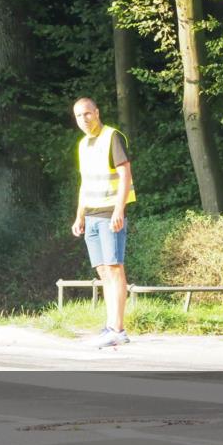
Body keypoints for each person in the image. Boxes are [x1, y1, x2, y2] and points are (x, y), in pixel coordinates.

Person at [70, 98, 135, 349]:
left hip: (110, 212)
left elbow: (125, 174)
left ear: (97, 113)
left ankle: (118, 328)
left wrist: (120, 209)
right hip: (92, 214)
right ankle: (110, 326)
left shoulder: (112, 137)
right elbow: (84, 183)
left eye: (87, 114)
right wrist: (79, 216)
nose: (84, 119)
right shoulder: (83, 144)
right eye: (78, 116)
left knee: (115, 267)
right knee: (103, 270)